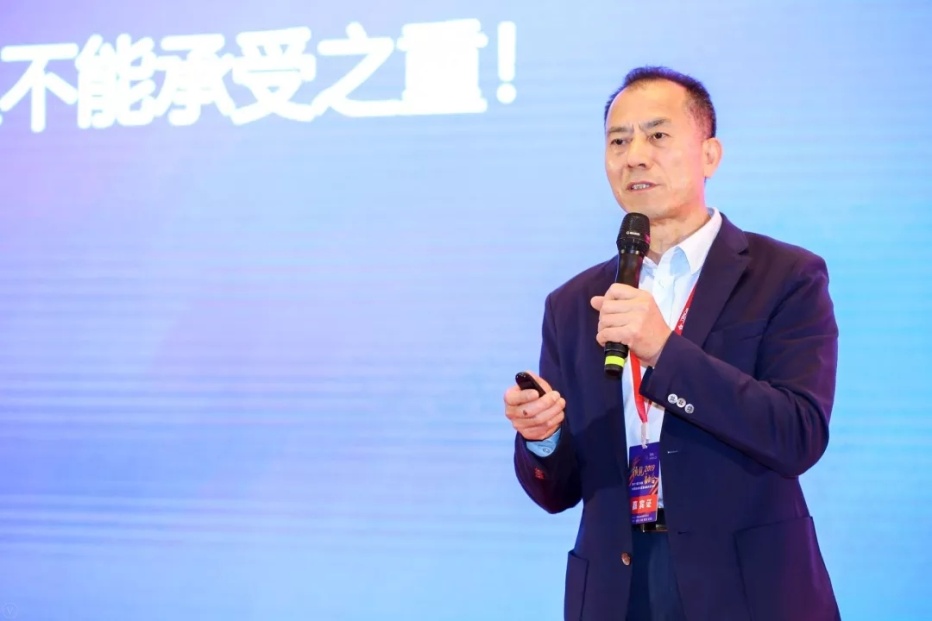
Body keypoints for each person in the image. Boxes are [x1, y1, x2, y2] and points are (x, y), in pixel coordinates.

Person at [503, 66, 840, 621]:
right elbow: (558, 491)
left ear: (710, 155)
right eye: (618, 141)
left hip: (746, 587)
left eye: (657, 135)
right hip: (615, 588)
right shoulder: (573, 303)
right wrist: (542, 436)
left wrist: (665, 351)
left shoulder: (785, 275)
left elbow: (798, 434)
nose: (635, 156)